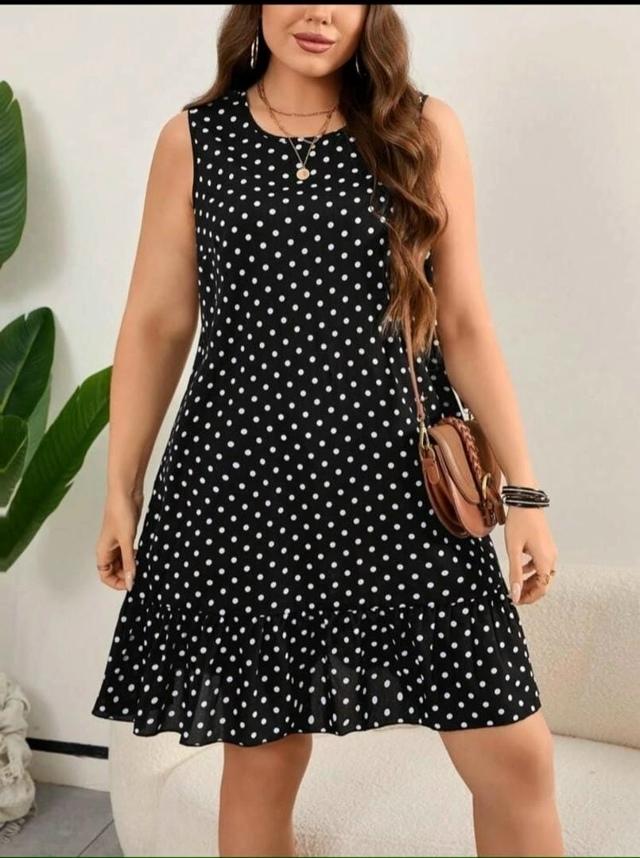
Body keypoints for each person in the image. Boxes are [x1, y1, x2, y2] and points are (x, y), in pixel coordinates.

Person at [92, 4, 564, 857]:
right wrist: (120, 490)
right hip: (244, 490)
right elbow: (157, 324)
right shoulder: (195, 141)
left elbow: (464, 322)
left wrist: (524, 494)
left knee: (515, 759)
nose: (318, 13)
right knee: (262, 766)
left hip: (401, 493)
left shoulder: (422, 130)